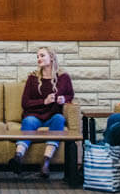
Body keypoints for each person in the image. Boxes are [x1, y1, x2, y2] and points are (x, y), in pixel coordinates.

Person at [8, 46, 74, 178]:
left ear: (52, 57)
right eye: (37, 56)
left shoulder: (63, 77)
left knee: (59, 119)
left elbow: (70, 95)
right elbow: (25, 103)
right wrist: (44, 101)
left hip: (52, 115)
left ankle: (46, 162)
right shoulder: (32, 78)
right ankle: (18, 157)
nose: (39, 59)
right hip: (35, 115)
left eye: (42, 55)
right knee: (28, 121)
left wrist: (63, 99)